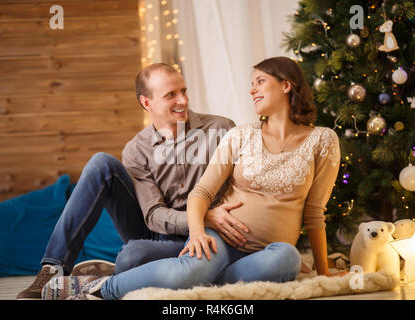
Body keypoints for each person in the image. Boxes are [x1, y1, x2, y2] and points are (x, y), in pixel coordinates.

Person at [42, 56, 346, 301]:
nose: (183, 100)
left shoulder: (223, 128)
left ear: (286, 86)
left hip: (237, 236)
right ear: (147, 103)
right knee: (132, 252)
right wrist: (203, 224)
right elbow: (153, 214)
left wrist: (323, 271)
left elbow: (313, 211)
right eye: (171, 95)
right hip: (181, 233)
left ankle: (190, 277)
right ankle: (69, 274)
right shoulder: (138, 149)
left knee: (287, 259)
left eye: (184, 91)